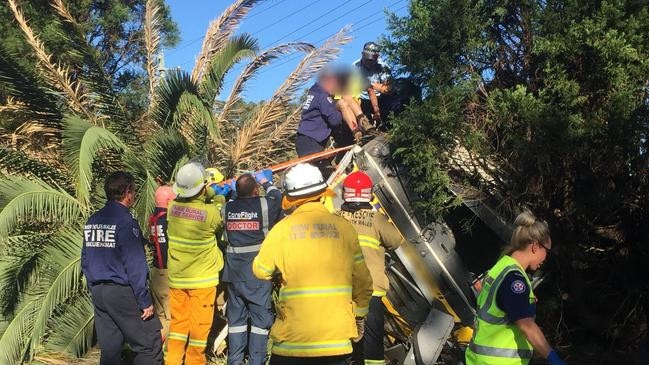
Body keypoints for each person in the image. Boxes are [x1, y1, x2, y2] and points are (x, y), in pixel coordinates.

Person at [252, 163, 373, 365]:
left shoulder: (282, 229)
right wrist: (359, 317)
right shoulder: (344, 228)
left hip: (292, 344)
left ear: (291, 200)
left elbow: (260, 270)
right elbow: (362, 281)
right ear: (323, 194)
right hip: (335, 343)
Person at [81, 171, 162, 365]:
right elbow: (135, 265)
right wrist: (144, 301)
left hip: (100, 293)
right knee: (149, 346)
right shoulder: (126, 223)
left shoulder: (93, 220)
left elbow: (85, 258)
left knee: (110, 350)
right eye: (133, 190)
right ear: (127, 192)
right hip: (122, 292)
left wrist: (95, 287)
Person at [465, 211, 566, 365]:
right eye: (547, 252)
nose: (545, 259)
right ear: (535, 246)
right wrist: (555, 359)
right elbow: (527, 327)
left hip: (479, 359)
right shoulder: (514, 280)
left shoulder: (502, 266)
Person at [336, 171, 404, 365]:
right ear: (369, 193)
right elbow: (396, 240)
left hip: (342, 290)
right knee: (372, 341)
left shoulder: (336, 218)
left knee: (343, 337)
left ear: (345, 193)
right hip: (371, 289)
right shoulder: (376, 219)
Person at [166, 162, 226, 365]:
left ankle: (172, 361)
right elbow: (219, 218)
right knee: (199, 328)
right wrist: (217, 196)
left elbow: (186, 200)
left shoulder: (172, 208)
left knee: (178, 325)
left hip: (177, 279)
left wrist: (203, 191)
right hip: (202, 280)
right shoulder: (210, 214)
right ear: (202, 188)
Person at [224, 170, 283, 365]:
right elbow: (277, 196)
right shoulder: (264, 205)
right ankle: (256, 361)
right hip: (257, 272)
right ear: (256, 190)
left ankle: (234, 361)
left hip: (233, 274)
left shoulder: (227, 208)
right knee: (260, 321)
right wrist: (266, 181)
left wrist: (233, 191)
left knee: (236, 321)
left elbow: (233, 200)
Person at [295, 69, 363, 158]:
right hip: (310, 142)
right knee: (319, 170)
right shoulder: (323, 95)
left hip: (306, 139)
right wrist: (344, 113)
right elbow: (334, 120)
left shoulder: (315, 92)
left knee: (322, 168)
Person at [148, 185, 176, 339]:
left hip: (156, 272)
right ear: (169, 200)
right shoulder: (168, 220)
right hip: (167, 273)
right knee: (172, 318)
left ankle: (155, 353)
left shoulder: (153, 218)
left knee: (160, 317)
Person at [353, 42, 402, 127]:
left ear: (376, 58)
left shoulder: (383, 67)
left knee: (396, 101)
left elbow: (387, 88)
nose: (369, 61)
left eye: (372, 59)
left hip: (381, 97)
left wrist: (370, 84)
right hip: (363, 100)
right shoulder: (354, 68)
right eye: (367, 58)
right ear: (362, 55)